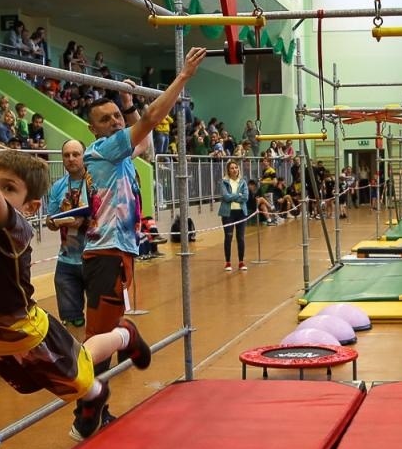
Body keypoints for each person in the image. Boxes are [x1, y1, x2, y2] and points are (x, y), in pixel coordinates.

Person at [0, 65, 153, 442]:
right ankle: (94, 391)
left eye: (10, 189)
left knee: (84, 376)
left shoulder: (13, 228)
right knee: (62, 381)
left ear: (30, 206)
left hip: (29, 335)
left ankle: (123, 337)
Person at [80, 49, 206, 348]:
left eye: (116, 117)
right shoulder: (101, 150)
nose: (114, 122)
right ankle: (95, 387)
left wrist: (129, 105)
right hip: (105, 254)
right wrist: (184, 75)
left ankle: (124, 343)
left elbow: (146, 142)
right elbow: (150, 120)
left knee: (108, 327)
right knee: (96, 337)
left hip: (119, 250)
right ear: (93, 129)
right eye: (105, 119)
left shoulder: (119, 155)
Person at [43, 139, 92, 330]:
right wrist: (53, 222)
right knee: (72, 321)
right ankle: (77, 360)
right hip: (66, 263)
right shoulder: (58, 187)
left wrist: (86, 221)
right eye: (66, 155)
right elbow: (51, 220)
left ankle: (98, 358)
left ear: (84, 156)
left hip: (95, 258)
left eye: (76, 154)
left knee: (101, 318)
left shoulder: (96, 183)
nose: (71, 159)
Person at [217, 160, 250, 272]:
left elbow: (245, 197)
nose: (234, 170)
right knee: (228, 237)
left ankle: (241, 262)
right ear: (228, 170)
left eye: (236, 167)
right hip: (228, 213)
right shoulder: (224, 182)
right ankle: (228, 262)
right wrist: (238, 195)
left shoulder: (243, 182)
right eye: (232, 168)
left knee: (240, 237)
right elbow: (225, 197)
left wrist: (234, 196)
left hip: (241, 213)